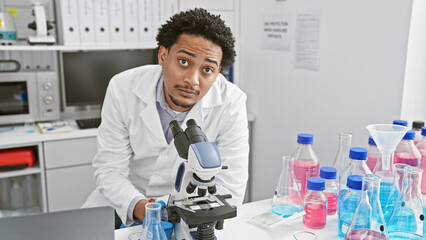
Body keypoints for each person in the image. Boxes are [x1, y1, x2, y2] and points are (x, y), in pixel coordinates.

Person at [82, 8, 249, 228]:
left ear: (218, 72)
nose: (192, 80)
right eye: (183, 62)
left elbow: (231, 183)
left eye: (207, 69)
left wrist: (196, 218)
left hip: (189, 207)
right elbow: (109, 169)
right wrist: (145, 209)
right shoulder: (123, 88)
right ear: (163, 55)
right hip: (124, 199)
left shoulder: (231, 102)